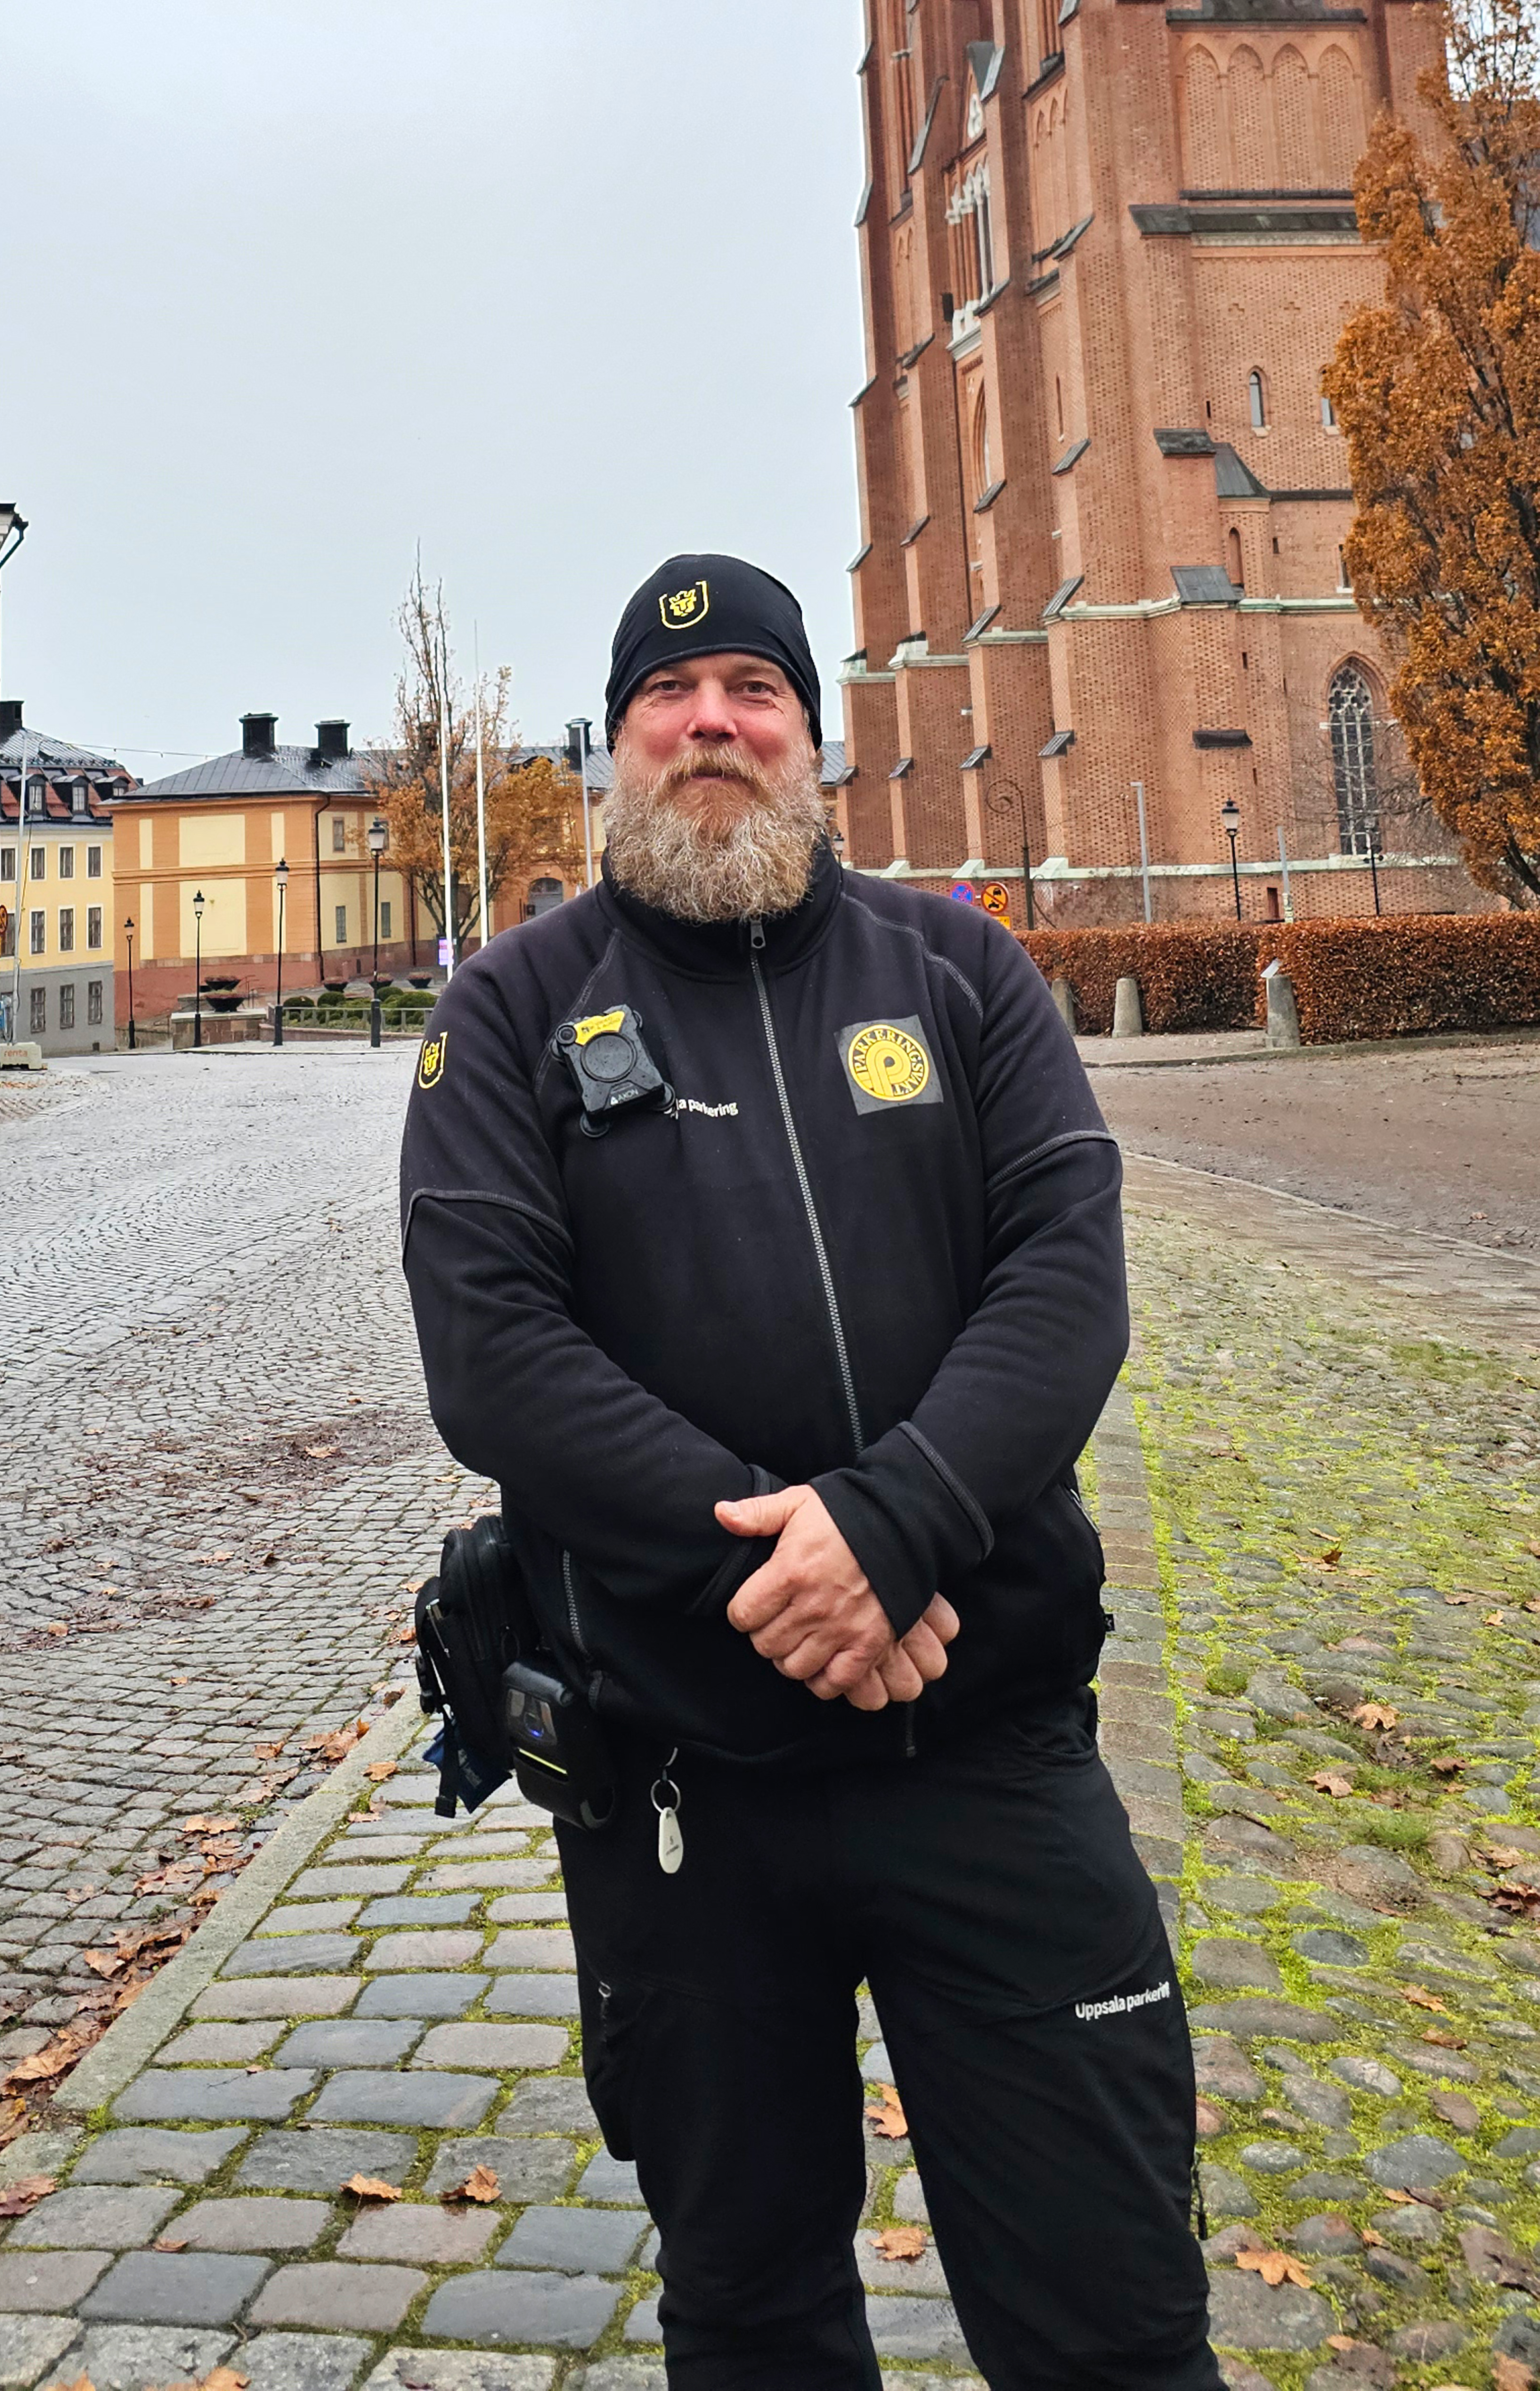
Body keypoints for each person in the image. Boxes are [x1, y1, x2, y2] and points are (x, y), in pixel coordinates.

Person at [398, 553, 1221, 2391]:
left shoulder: (961, 970)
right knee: (755, 2315)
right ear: (615, 744)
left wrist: (898, 1519)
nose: (713, 723)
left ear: (810, 742)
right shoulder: (512, 1016)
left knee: (1114, 2324)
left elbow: (1064, 1273)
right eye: (670, 697)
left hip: (987, 1750)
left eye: (754, 690)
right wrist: (796, 1568)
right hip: (687, 1789)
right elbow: (495, 1355)